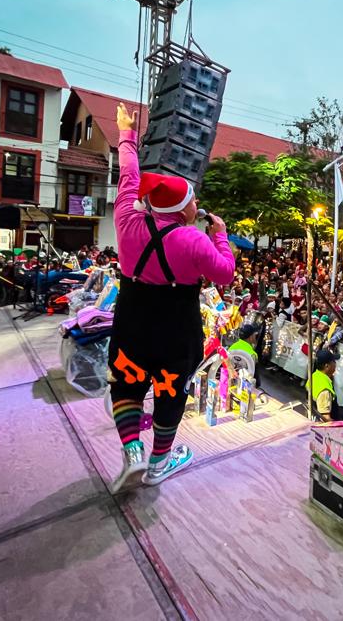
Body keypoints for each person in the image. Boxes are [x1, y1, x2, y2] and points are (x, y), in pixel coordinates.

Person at [107, 103, 235, 493]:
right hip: (176, 328)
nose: (196, 205)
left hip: (132, 318)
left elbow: (129, 176)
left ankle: (132, 451)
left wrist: (127, 134)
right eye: (193, 200)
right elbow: (225, 273)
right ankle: (159, 463)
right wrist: (220, 236)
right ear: (183, 209)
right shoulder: (193, 239)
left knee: (126, 384)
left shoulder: (126, 219)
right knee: (169, 391)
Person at [308, 348, 339, 422]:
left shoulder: (314, 375)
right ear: (327, 366)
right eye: (334, 362)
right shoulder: (325, 389)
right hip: (321, 426)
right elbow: (325, 418)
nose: (335, 364)